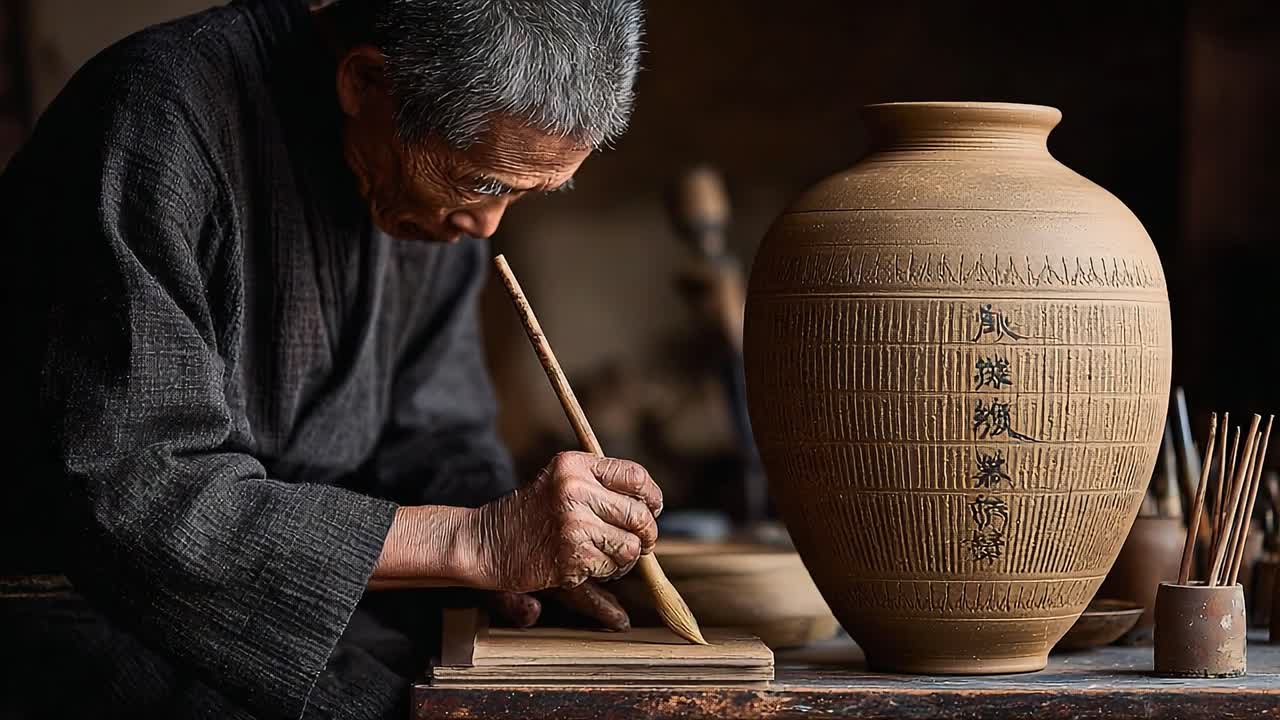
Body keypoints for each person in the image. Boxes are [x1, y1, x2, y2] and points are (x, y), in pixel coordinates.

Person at [0, 0, 655, 718]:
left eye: (531, 192)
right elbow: (134, 497)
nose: (485, 226)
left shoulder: (430, 195)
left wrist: (531, 556)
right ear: (366, 82)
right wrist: (475, 538)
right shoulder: (156, 126)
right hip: (83, 602)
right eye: (484, 183)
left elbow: (435, 435)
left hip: (316, 604)